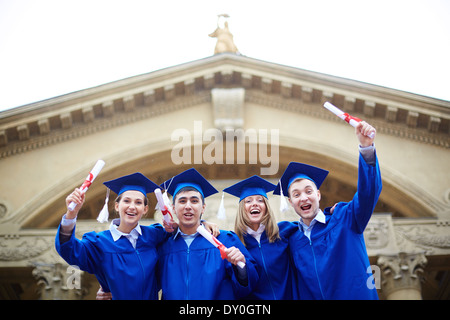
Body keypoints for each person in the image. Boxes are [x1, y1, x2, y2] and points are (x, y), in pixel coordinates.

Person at [274, 121, 382, 300]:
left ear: (318, 194)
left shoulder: (346, 220)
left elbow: (368, 193)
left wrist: (367, 148)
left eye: (309, 191)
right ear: (290, 202)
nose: (304, 198)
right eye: (296, 194)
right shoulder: (290, 238)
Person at [55, 172, 169, 300]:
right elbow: (69, 249)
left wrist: (174, 225)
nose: (132, 207)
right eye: (126, 201)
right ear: (116, 205)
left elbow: (180, 241)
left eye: (138, 202)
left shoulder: (154, 235)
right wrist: (71, 214)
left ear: (145, 209)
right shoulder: (99, 243)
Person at [156, 168, 259, 299]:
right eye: (182, 201)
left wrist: (241, 266)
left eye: (194, 201)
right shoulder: (164, 245)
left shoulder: (225, 240)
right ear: (174, 208)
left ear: (203, 207)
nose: (188, 206)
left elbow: (250, 283)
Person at [223, 175, 297, 300]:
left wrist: (332, 212)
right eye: (248, 201)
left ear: (266, 207)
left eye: (260, 200)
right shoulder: (235, 244)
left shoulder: (284, 231)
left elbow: (312, 225)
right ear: (242, 209)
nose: (255, 204)